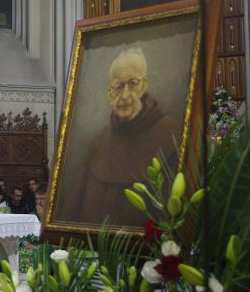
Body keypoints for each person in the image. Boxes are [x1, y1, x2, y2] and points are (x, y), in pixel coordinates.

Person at [59, 48, 180, 227]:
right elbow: (70, 213)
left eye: (133, 84)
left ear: (145, 85)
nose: (124, 96)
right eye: (118, 86)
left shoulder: (171, 133)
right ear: (110, 93)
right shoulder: (99, 142)